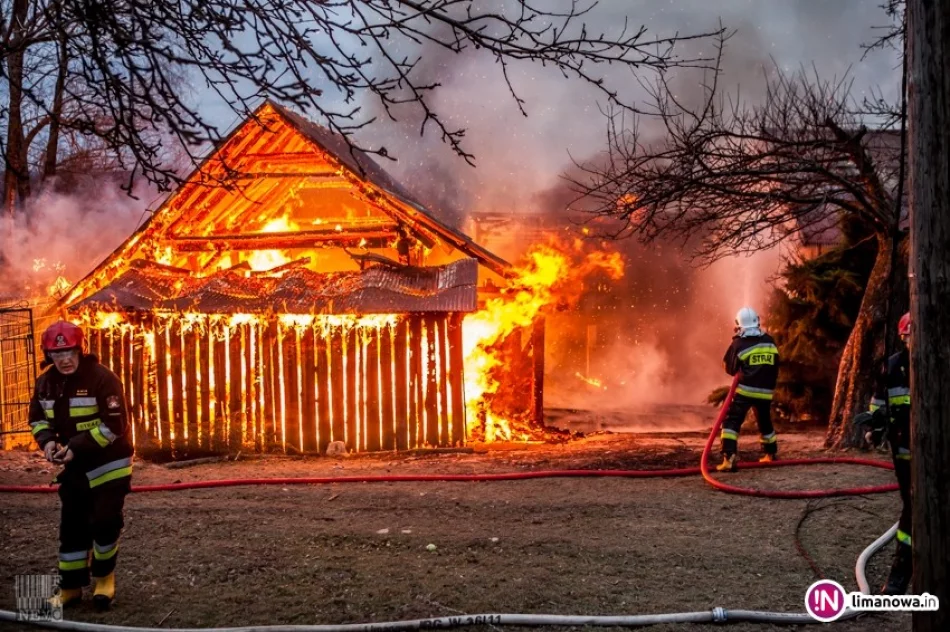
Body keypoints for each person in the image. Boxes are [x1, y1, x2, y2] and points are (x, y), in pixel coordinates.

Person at [28, 320, 134, 610]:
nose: (64, 359)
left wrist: (75, 447)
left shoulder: (103, 379)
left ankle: (104, 578)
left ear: (81, 350)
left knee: (104, 521)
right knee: (72, 526)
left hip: (109, 464)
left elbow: (116, 426)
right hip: (75, 467)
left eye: (70, 352)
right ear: (48, 355)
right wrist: (48, 442)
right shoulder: (45, 383)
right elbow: (37, 419)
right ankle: (71, 587)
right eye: (57, 353)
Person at [856, 311, 912, 595]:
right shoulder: (891, 367)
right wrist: (875, 427)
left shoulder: (940, 359)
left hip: (936, 454)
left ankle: (900, 576)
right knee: (913, 507)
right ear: (903, 337)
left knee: (915, 510)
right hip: (905, 451)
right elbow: (879, 402)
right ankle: (900, 574)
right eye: (910, 336)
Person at [716, 307, 780, 472]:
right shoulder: (770, 341)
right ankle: (770, 454)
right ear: (757, 321)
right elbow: (775, 364)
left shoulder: (738, 344)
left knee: (731, 421)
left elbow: (729, 368)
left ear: (738, 324)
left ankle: (729, 458)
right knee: (764, 421)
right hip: (766, 392)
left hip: (745, 390)